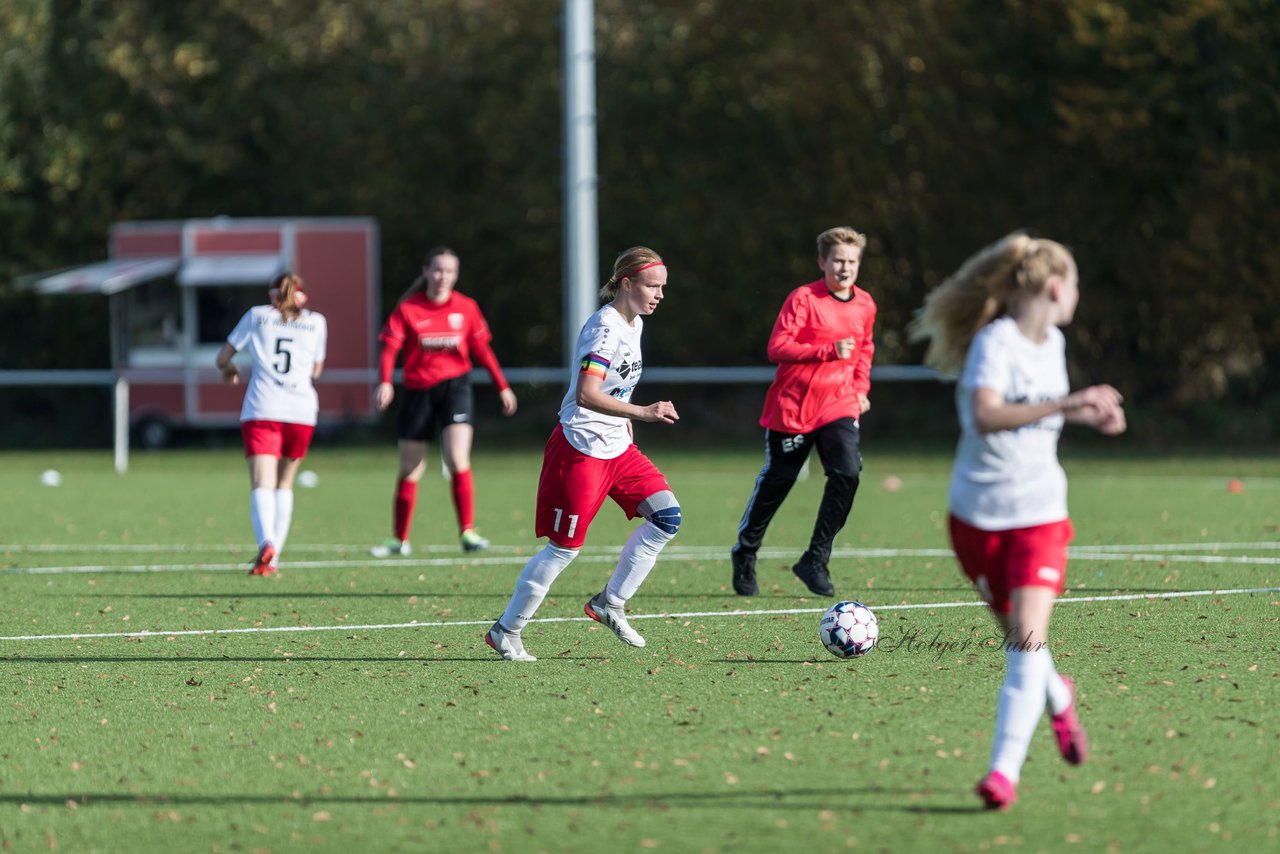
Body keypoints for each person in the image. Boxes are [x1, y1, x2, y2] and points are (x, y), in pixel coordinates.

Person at [908, 233, 1125, 810]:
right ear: (1057, 287)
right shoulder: (995, 342)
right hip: (976, 517)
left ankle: (1002, 773)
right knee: (1023, 643)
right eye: (1076, 283)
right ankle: (1059, 696)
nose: (1077, 294)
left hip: (1040, 516)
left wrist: (1085, 415)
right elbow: (986, 415)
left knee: (1025, 644)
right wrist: (1066, 405)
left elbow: (1041, 419)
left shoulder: (1052, 342)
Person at [485, 246, 681, 661]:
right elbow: (587, 394)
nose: (660, 294)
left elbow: (614, 386)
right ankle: (507, 630)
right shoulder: (605, 329)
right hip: (581, 449)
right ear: (626, 284)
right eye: (653, 286)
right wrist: (642, 412)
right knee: (564, 548)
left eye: (663, 286)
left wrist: (626, 416)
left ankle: (609, 604)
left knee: (667, 518)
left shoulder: (635, 323)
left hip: (618, 447)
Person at [730, 226, 877, 598]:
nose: (845, 268)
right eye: (838, 260)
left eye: (852, 261)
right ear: (822, 262)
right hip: (792, 408)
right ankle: (746, 552)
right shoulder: (803, 298)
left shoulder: (865, 304)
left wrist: (860, 391)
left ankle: (815, 558)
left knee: (847, 472)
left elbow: (864, 352)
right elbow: (777, 347)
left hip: (838, 405)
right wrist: (826, 350)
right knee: (778, 483)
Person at [369, 246, 518, 557]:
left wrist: (502, 386)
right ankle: (399, 539)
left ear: (456, 274)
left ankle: (468, 532)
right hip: (417, 391)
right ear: (425, 271)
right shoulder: (408, 308)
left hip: (455, 389)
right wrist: (385, 382)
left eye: (449, 271)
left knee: (456, 458)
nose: (442, 276)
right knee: (410, 466)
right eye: (437, 270)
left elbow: (482, 352)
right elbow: (389, 350)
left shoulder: (466, 307)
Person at [215, 273, 328, 576]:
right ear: (301, 296)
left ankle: (266, 542)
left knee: (261, 483)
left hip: (263, 408)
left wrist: (230, 369)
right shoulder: (317, 322)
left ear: (272, 294)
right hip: (302, 411)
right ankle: (274, 557)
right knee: (284, 484)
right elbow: (316, 370)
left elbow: (222, 357)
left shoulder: (257, 316)